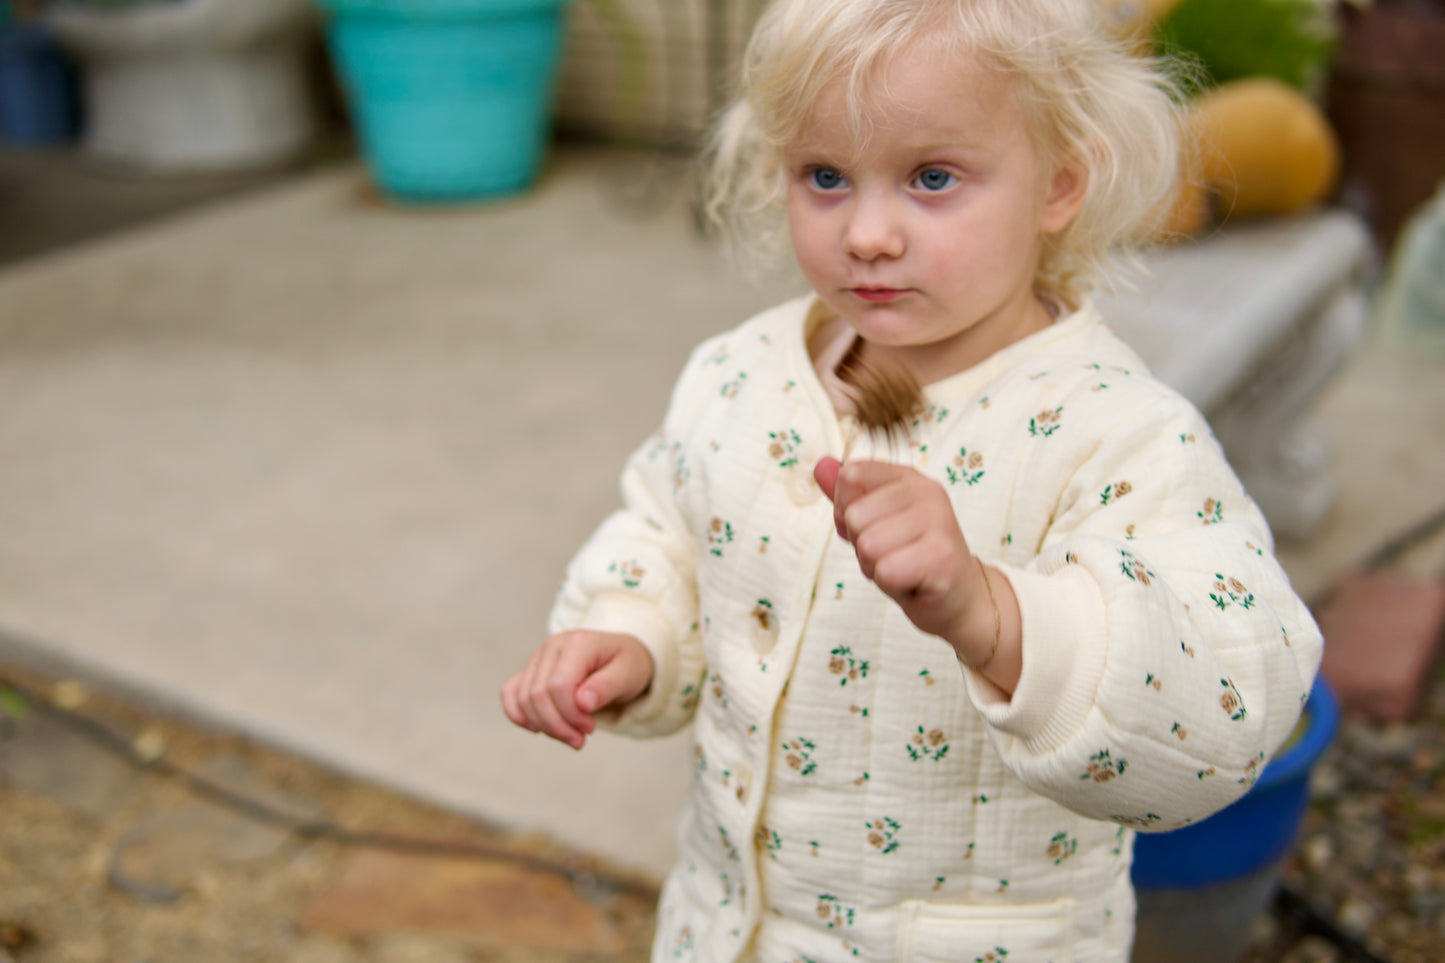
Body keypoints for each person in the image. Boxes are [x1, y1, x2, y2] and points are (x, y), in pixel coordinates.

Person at [502, 0, 1323, 959]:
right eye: (825, 177)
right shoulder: (741, 372)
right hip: (724, 928)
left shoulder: (1112, 433)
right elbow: (667, 531)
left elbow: (1232, 699)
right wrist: (628, 632)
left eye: (932, 178)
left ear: (1059, 183)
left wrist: (993, 612)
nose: (867, 234)